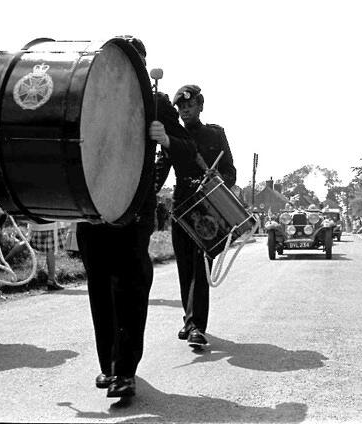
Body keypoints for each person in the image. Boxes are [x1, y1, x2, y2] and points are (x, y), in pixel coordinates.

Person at [77, 36, 196, 398]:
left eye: (134, 63)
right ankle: (109, 366)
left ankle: (125, 372)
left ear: (142, 67)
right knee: (100, 289)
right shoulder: (88, 96)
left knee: (129, 288)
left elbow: (188, 153)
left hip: (134, 214)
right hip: (93, 212)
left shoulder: (157, 103)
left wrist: (167, 139)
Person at [156, 84, 236, 348]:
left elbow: (230, 172)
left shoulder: (215, 134)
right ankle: (189, 320)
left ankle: (197, 327)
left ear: (200, 106)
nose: (185, 110)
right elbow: (161, 170)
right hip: (181, 206)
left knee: (201, 268)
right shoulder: (173, 136)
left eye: (190, 106)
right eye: (181, 107)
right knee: (184, 268)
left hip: (208, 209)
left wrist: (219, 178)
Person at [29, 221, 68, 291]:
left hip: (36, 226)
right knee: (51, 250)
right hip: (51, 226)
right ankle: (51, 280)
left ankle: (6, 259)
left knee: (25, 243)